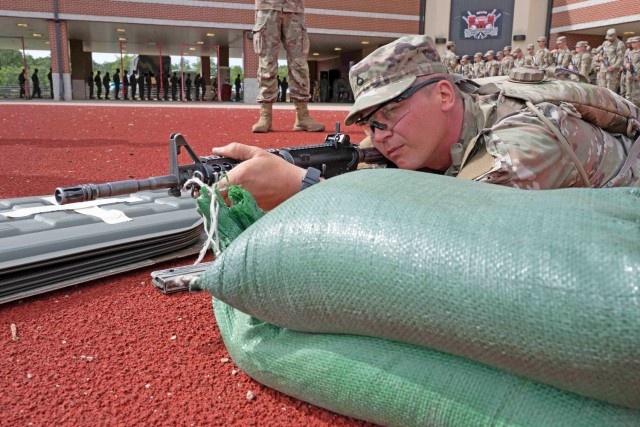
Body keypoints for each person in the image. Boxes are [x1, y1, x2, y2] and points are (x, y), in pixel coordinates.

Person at [209, 35, 639, 212]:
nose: (380, 134)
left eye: (392, 111)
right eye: (371, 122)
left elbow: (441, 229)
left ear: (445, 95)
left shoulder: (525, 144)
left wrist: (303, 188)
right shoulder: (446, 116)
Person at [251, 0, 324, 132]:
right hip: (268, 7)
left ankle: (302, 116)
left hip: (294, 8)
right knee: (267, 62)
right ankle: (265, 116)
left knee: (299, 63)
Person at [597, 28, 626, 93]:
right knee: (602, 87)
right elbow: (600, 52)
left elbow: (621, 58)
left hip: (612, 70)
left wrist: (613, 67)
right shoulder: (605, 43)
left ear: (615, 35)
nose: (608, 39)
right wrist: (599, 57)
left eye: (610, 37)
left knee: (610, 89)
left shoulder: (620, 44)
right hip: (603, 68)